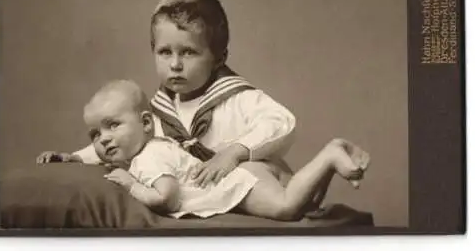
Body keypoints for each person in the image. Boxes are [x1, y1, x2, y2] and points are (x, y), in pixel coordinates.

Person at [36, 0, 358, 191]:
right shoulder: (159, 111)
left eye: (188, 53)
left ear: (219, 57)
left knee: (270, 185)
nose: (174, 65)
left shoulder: (237, 97)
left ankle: (327, 165)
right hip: (202, 195)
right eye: (165, 53)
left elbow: (281, 122)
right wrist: (75, 158)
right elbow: (126, 141)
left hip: (260, 186)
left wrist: (233, 153)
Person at [83, 79, 370, 220]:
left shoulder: (147, 160)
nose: (103, 140)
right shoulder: (156, 141)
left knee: (288, 208)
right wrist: (71, 157)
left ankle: (330, 155)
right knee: (306, 204)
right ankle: (331, 160)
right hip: (250, 171)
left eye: (112, 126)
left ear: (146, 123)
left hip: (237, 182)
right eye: (95, 133)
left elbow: (167, 198)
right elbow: (105, 151)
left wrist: (131, 185)